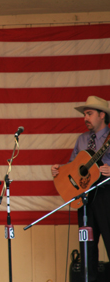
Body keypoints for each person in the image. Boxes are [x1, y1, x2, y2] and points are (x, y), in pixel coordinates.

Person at [51, 95, 110, 282]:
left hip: (106, 196)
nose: (85, 118)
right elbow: (73, 167)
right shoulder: (82, 139)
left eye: (89, 113)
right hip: (84, 197)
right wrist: (59, 171)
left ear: (102, 115)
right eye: (85, 114)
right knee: (87, 247)